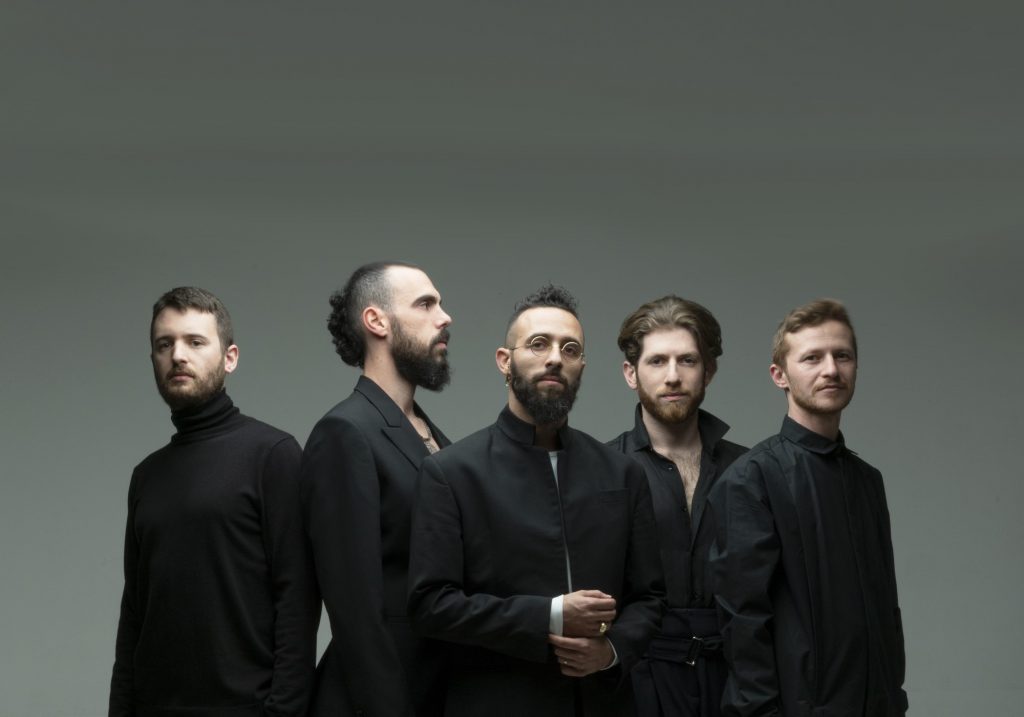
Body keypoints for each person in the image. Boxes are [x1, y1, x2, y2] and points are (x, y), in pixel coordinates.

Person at [408, 284, 666, 717]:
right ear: (504, 361)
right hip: (497, 703)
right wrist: (550, 614)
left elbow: (651, 597)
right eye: (538, 344)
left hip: (604, 704)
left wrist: (612, 651)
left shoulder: (622, 473)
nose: (555, 358)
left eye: (570, 349)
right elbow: (430, 605)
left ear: (581, 366)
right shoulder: (451, 473)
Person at [109, 287, 317, 717]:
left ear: (230, 357)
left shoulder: (273, 455)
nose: (177, 355)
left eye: (195, 342)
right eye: (164, 345)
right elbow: (134, 612)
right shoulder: (147, 475)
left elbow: (298, 599)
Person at [708, 299, 908, 716]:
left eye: (842, 356)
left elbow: (886, 612)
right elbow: (742, 624)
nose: (831, 370)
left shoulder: (867, 480)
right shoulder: (751, 479)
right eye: (812, 358)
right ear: (779, 375)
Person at [301, 262, 453, 717]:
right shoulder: (344, 432)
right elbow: (355, 611)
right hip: (378, 700)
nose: (445, 317)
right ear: (376, 321)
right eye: (425, 304)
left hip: (438, 689)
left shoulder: (436, 437)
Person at [609, 296, 747, 717]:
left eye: (687, 360)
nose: (673, 376)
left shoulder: (749, 470)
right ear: (631, 373)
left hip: (735, 683)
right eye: (657, 361)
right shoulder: (601, 470)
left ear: (709, 370)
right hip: (635, 684)